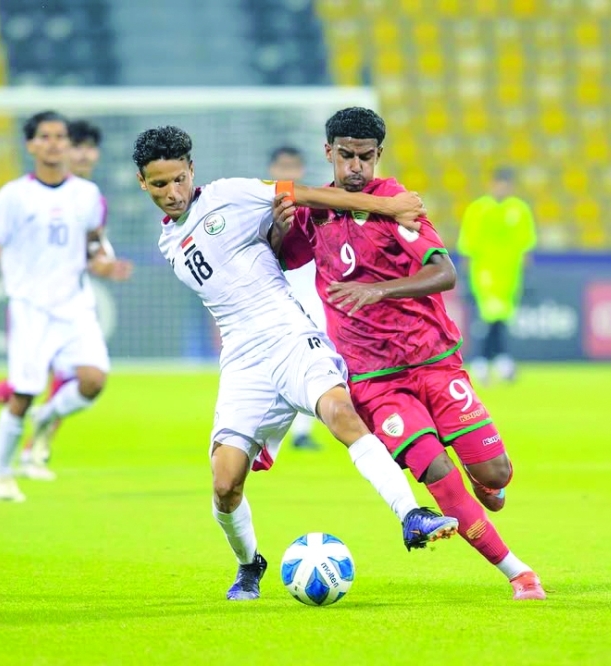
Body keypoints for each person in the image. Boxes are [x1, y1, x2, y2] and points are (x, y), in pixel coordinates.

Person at [134, 125, 459, 601]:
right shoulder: (168, 242)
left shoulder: (230, 195)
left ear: (192, 170)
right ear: (143, 184)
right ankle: (250, 566)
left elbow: (307, 194)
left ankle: (412, 515)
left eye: (178, 179)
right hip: (243, 361)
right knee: (225, 486)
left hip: (289, 336)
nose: (172, 192)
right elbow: (270, 247)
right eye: (159, 184)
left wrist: (389, 206)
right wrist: (280, 232)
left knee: (338, 412)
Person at [273, 107, 545, 600]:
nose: (356, 166)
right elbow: (281, 253)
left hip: (434, 361)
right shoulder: (316, 211)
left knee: (495, 475)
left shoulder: (398, 205)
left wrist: (379, 292)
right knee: (438, 476)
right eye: (346, 156)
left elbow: (444, 273)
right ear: (328, 152)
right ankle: (518, 572)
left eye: (366, 157)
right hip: (375, 380)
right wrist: (279, 224)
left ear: (379, 155)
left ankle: (488, 488)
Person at [0, 110, 130, 501]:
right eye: (45, 136)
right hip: (30, 307)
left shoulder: (88, 196)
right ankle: (0, 472)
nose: (54, 143)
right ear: (31, 145)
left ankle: (48, 416)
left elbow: (93, 242)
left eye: (60, 136)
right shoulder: (14, 195)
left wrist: (103, 264)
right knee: (23, 393)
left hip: (74, 306)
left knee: (94, 380)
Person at [456, 167, 536, 384]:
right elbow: (467, 246)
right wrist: (464, 278)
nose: (503, 188)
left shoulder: (519, 210)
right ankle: (485, 363)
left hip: (510, 275)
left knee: (500, 320)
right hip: (484, 272)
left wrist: (527, 274)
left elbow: (526, 245)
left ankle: (497, 361)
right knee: (489, 318)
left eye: (507, 184)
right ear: (491, 184)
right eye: (500, 183)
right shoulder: (478, 209)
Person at [268, 146, 324, 451]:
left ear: (301, 170)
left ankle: (302, 432)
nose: (288, 172)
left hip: (311, 299)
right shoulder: (258, 207)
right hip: (272, 301)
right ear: (272, 169)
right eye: (282, 166)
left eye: (293, 166)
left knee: (312, 364)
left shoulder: (313, 207)